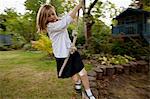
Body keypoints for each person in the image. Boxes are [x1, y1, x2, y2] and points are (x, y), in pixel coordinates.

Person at [36, 1, 96, 99]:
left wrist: (71, 45)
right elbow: (66, 21)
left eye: (52, 14)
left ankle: (89, 93)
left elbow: (67, 17)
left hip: (71, 51)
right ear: (44, 19)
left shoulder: (57, 22)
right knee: (75, 76)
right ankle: (78, 84)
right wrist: (78, 6)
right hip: (63, 56)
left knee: (83, 73)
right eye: (48, 16)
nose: (52, 17)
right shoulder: (51, 27)